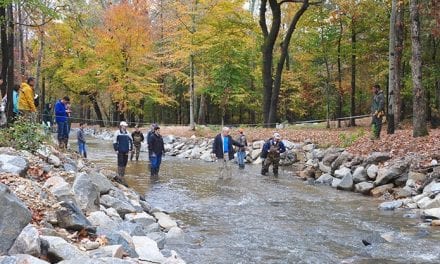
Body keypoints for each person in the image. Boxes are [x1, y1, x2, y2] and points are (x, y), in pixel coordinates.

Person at [113, 121, 133, 186]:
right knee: (120, 163)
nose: (125, 127)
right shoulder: (117, 132)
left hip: (126, 151)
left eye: (126, 126)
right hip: (120, 150)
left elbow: (131, 141)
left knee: (125, 163)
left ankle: (122, 175)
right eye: (124, 126)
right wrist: (116, 149)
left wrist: (131, 149)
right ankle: (119, 176)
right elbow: (114, 141)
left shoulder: (128, 133)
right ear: (121, 126)